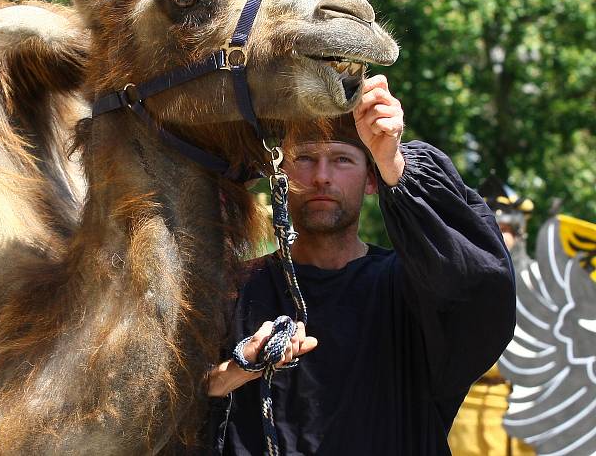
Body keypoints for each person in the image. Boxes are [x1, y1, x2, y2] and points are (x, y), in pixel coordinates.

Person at [206, 75, 516, 455]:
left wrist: (393, 161)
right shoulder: (236, 288)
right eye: (305, 158)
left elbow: (482, 287)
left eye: (341, 160)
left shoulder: (410, 292)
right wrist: (241, 367)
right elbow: (164, 400)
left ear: (371, 180)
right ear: (280, 176)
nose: (322, 176)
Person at [446, 175, 536, 456]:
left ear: (519, 232)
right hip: (464, 403)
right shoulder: (451, 275)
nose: (498, 232)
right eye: (488, 225)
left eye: (505, 227)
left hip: (524, 404)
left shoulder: (541, 282)